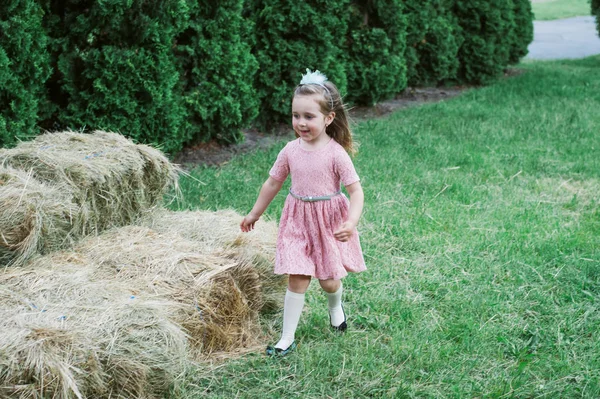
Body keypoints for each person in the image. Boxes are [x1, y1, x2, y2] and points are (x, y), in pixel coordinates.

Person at [240, 69, 366, 356]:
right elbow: (273, 182)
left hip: (328, 222)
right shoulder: (289, 151)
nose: (301, 123)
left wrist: (351, 221)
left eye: (309, 117)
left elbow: (356, 191)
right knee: (297, 277)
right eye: (296, 116)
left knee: (328, 280)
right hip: (297, 219)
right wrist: (254, 214)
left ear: (328, 118)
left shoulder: (336, 154)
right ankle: (286, 337)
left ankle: (336, 308)